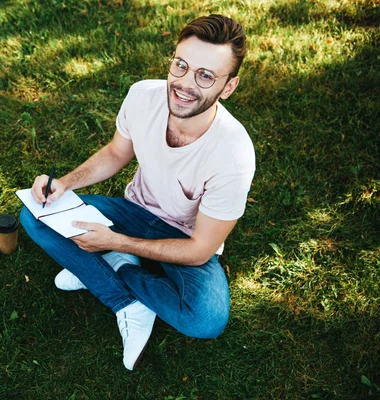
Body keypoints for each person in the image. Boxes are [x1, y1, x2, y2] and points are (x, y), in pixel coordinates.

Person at [20, 14, 255, 371]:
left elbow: (200, 250)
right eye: (181, 65)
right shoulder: (143, 95)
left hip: (185, 237)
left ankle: (110, 269)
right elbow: (117, 153)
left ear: (228, 87)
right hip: (134, 210)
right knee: (34, 215)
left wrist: (115, 244)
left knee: (205, 319)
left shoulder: (233, 155)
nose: (185, 84)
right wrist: (64, 184)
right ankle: (126, 303)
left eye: (205, 75)